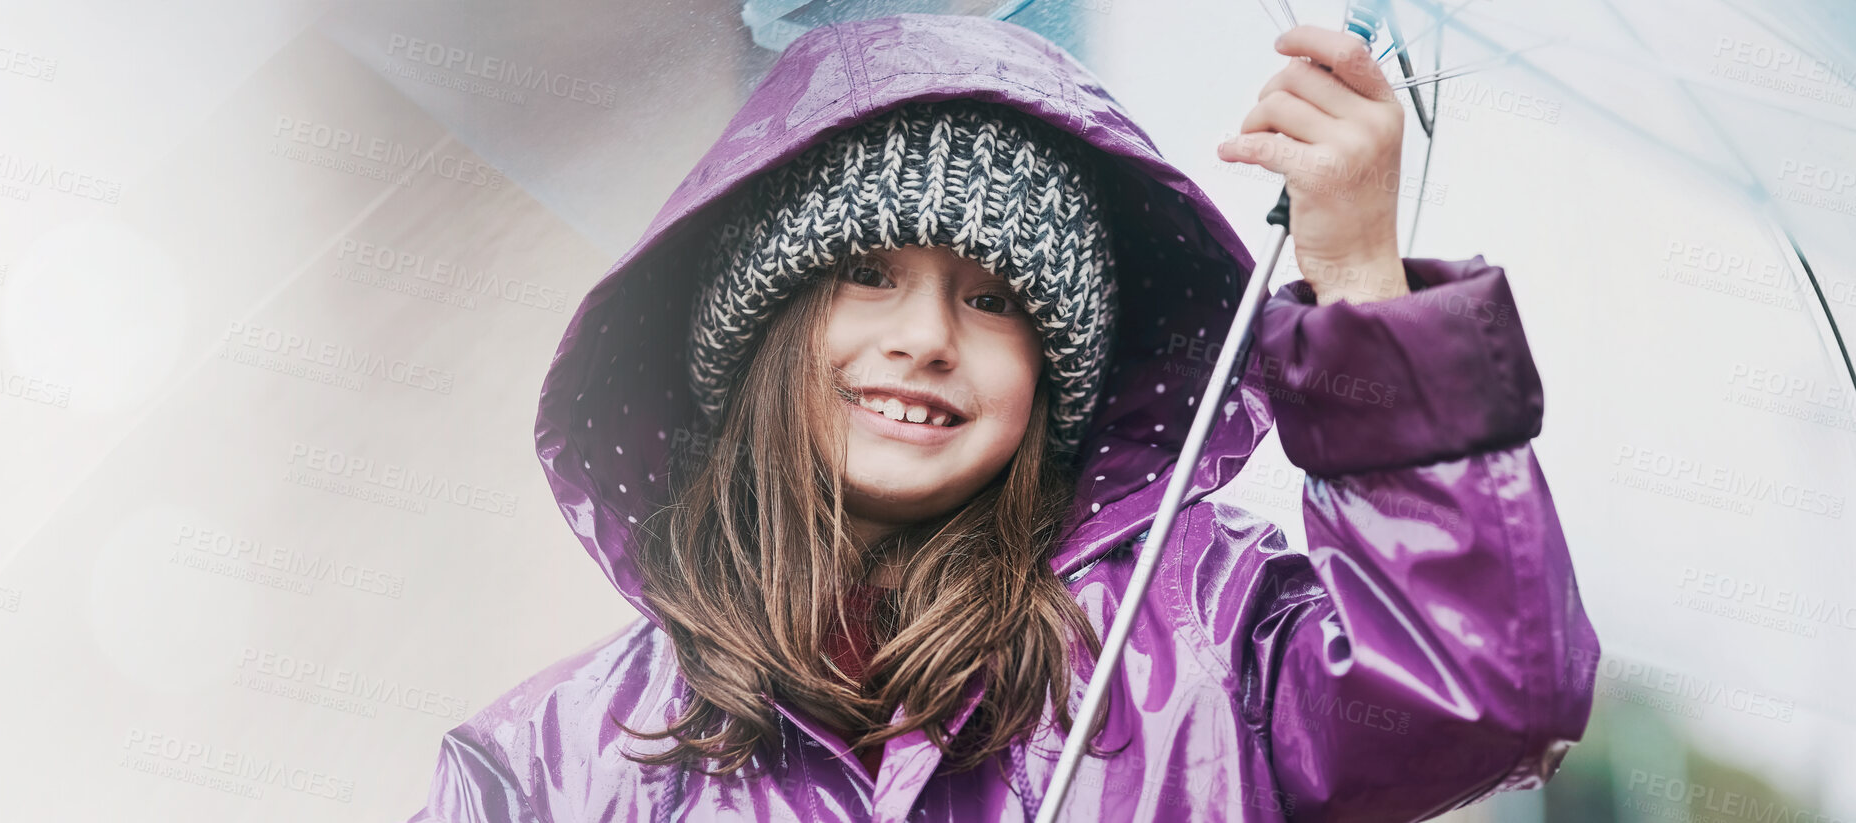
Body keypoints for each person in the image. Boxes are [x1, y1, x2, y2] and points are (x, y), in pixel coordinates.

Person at [408, 12, 1598, 822]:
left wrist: (1356, 274)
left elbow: (1475, 688)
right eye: (866, 273)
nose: (925, 336)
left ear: (1056, 381)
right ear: (755, 332)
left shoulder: (1203, 636)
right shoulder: (550, 762)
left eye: (993, 301)